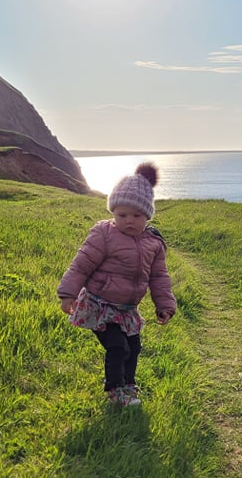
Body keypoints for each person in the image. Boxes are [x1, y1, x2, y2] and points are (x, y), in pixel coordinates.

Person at [58, 162, 176, 407]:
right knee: (117, 347)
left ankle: (128, 386)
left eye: (137, 216)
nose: (129, 221)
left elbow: (159, 278)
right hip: (98, 304)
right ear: (113, 212)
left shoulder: (153, 243)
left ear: (148, 216)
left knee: (133, 348)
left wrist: (164, 306)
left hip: (127, 309)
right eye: (122, 215)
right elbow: (81, 264)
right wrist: (67, 294)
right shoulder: (104, 234)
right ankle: (115, 391)